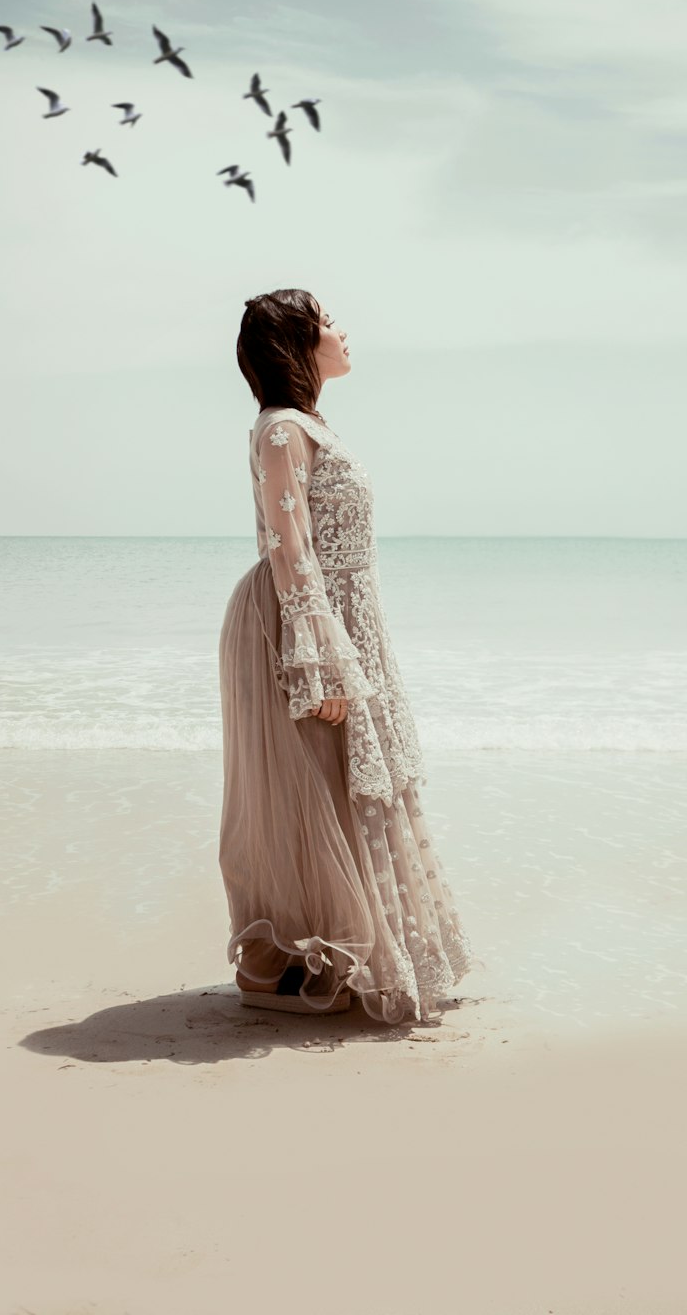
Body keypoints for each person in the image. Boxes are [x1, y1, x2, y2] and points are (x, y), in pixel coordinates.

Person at [217, 288, 476, 1023]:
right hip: (302, 627)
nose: (341, 331)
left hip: (345, 620)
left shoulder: (308, 424)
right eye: (327, 321)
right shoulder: (279, 430)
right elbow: (289, 548)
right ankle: (286, 959)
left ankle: (331, 947)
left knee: (340, 786)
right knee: (309, 790)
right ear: (296, 343)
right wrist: (319, 656)